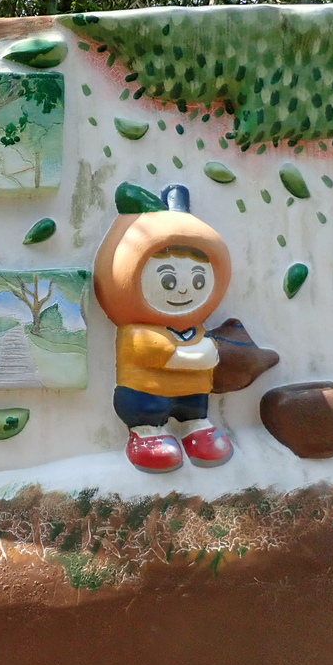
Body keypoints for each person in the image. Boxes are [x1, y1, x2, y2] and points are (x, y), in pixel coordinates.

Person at [94, 184, 234, 473]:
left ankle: (196, 427)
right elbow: (172, 357)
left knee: (195, 405)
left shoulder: (195, 326)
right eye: (169, 281)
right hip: (146, 397)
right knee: (145, 407)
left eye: (198, 281)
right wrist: (202, 355)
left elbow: (206, 350)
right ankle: (146, 434)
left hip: (192, 394)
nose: (183, 290)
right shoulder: (138, 332)